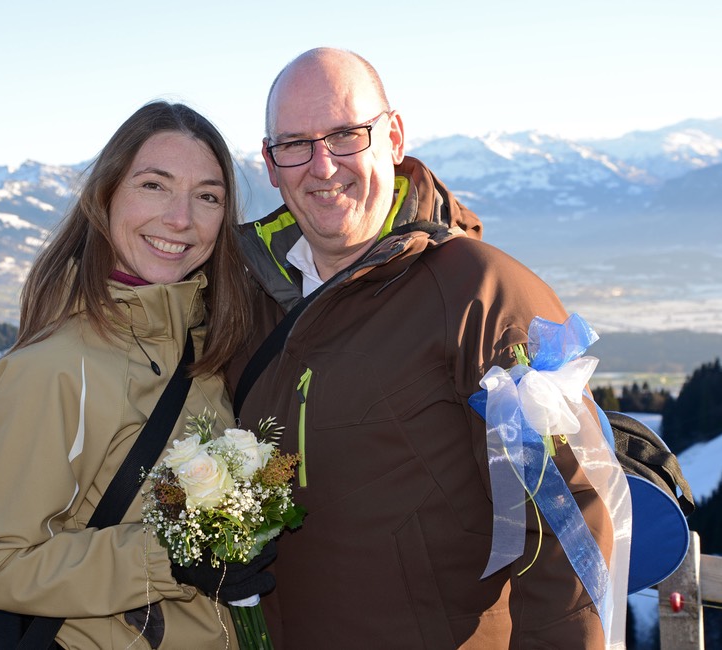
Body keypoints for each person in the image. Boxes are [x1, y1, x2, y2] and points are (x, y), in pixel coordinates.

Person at [226, 48, 628, 649]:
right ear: (270, 163)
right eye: (295, 144)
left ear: (393, 137)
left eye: (345, 135)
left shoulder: (482, 295)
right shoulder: (247, 298)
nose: (322, 165)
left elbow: (571, 522)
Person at [0, 101, 274, 650]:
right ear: (104, 197)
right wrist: (169, 557)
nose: (181, 218)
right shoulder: (55, 368)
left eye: (208, 196)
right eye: (154, 185)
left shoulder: (205, 346)